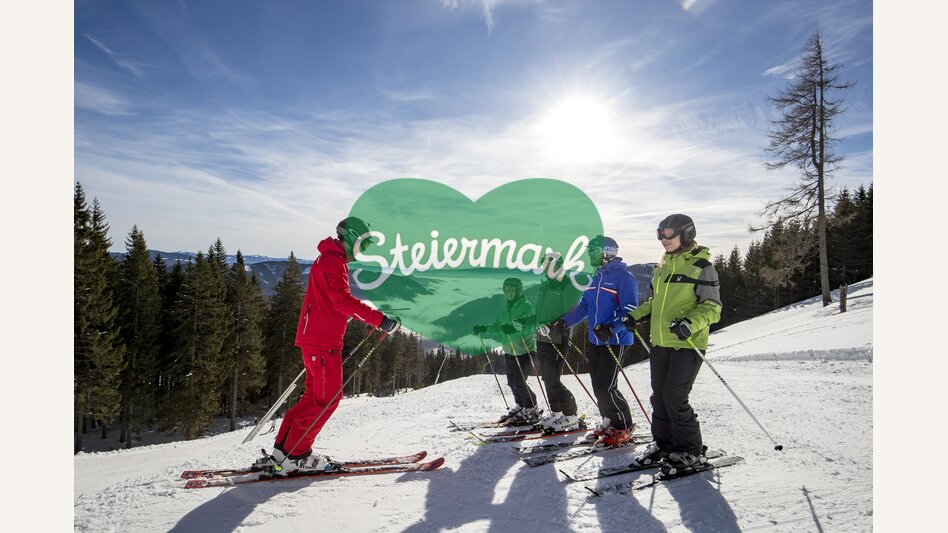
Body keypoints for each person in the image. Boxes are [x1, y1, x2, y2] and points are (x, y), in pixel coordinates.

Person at [258, 216, 399, 475]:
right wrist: (379, 320)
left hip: (317, 339)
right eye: (364, 244)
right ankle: (297, 456)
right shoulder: (333, 261)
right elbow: (341, 301)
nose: (364, 251)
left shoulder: (331, 259)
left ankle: (283, 451)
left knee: (314, 397)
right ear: (351, 239)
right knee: (327, 398)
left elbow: (333, 301)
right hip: (322, 342)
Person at [622, 214, 721, 469]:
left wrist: (689, 323)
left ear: (686, 233)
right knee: (659, 398)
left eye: (667, 233)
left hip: (687, 344)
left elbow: (712, 307)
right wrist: (635, 316)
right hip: (660, 343)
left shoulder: (702, 267)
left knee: (675, 398)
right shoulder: (662, 268)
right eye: (660, 234)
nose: (663, 239)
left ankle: (691, 449)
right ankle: (664, 444)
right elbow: (654, 303)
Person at [554, 235, 639, 446]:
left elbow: (630, 309)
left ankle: (624, 426)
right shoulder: (596, 276)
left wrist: (612, 327)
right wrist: (565, 322)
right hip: (596, 340)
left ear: (607, 252)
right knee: (597, 384)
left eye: (593, 251)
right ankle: (608, 420)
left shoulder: (623, 277)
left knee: (606, 386)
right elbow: (585, 306)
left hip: (616, 339)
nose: (589, 255)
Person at [522, 254, 582, 433]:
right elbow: (541, 312)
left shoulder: (568, 285)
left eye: (549, 265)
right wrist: (529, 321)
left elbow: (572, 312)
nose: (546, 268)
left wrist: (552, 326)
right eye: (544, 265)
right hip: (542, 338)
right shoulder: (546, 284)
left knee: (552, 379)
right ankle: (557, 413)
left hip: (558, 338)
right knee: (546, 378)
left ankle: (571, 415)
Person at [473, 277, 540, 426]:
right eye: (506, 290)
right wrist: (484, 328)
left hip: (525, 351)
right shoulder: (504, 309)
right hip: (510, 352)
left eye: (512, 290)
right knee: (511, 382)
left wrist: (515, 328)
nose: (508, 292)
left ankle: (532, 408)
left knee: (519, 383)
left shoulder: (526, 306)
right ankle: (521, 406)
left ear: (519, 290)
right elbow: (498, 326)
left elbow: (530, 326)